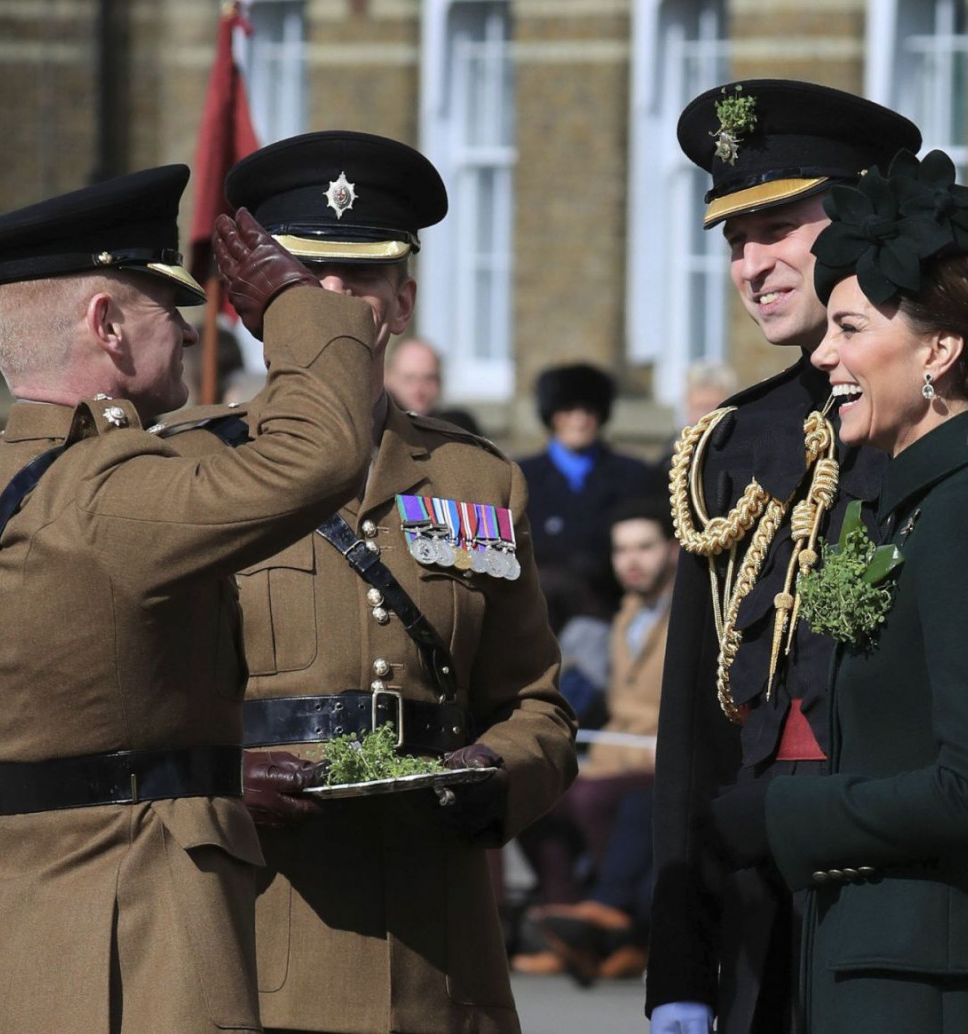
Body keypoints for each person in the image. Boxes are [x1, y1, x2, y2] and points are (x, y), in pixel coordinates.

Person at [0, 165, 378, 1033]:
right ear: (105, 324)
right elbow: (323, 453)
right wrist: (293, 307)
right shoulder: (114, 491)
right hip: (154, 957)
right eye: (163, 306)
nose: (187, 335)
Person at [217, 130, 577, 1034]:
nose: (335, 301)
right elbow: (123, 712)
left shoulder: (477, 479)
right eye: (306, 281)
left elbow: (536, 704)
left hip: (436, 953)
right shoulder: (193, 469)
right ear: (259, 307)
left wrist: (501, 772)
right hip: (262, 936)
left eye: (362, 279)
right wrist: (222, 776)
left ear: (402, 302)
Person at [710, 147, 968, 1034]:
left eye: (852, 329)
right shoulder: (911, 501)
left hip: (928, 981)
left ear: (939, 348)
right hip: (872, 959)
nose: (825, 353)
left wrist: (784, 813)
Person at [650, 80, 922, 1034]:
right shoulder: (731, 447)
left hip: (922, 911)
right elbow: (693, 729)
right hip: (758, 922)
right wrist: (679, 970)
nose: (752, 264)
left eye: (777, 227)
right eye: (733, 239)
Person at [516, 497, 675, 978]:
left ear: (672, 549)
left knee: (589, 798)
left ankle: (624, 928)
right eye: (621, 550)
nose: (632, 560)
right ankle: (568, 928)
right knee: (534, 797)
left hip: (655, 756)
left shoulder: (688, 612)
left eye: (645, 547)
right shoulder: (626, 612)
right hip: (614, 754)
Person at [519, 362, 659, 615]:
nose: (580, 420)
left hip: (611, 613)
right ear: (551, 414)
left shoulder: (633, 475)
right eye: (569, 409)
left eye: (588, 410)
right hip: (539, 616)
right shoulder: (521, 477)